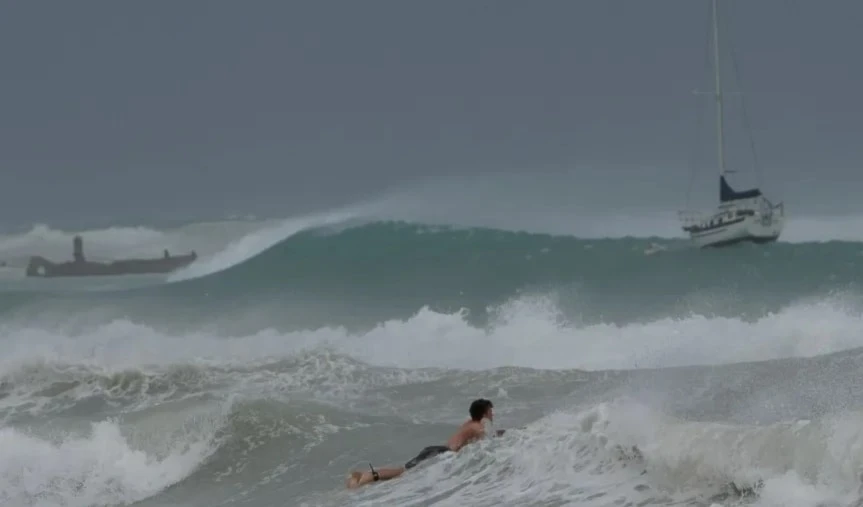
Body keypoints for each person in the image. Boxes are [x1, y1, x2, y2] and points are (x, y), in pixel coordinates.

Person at [346, 398, 507, 489]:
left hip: (436, 450)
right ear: (485, 413)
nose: (492, 413)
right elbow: (486, 439)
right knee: (404, 474)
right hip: (442, 454)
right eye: (490, 411)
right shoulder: (478, 427)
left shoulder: (469, 423)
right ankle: (366, 476)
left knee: (404, 471)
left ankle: (363, 475)